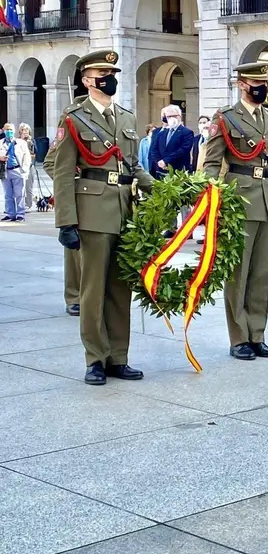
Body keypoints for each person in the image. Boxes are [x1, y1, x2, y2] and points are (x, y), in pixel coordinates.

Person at [52, 50, 154, 385]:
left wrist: (161, 190)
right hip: (92, 211)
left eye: (112, 74)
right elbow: (62, 172)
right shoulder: (73, 117)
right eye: (102, 74)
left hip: (124, 211)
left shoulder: (126, 117)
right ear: (87, 80)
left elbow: (134, 166)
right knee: (93, 291)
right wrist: (66, 221)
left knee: (120, 290)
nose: (109, 79)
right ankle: (95, 359)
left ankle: (118, 358)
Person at [203, 62, 268, 361]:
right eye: (255, 83)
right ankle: (239, 337)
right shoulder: (225, 118)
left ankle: (257, 335)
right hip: (239, 201)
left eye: (264, 83)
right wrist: (211, 201)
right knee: (238, 273)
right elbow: (212, 162)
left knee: (262, 273)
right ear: (241, 84)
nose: (261, 88)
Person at [44, 139, 81, 316]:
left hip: (106, 198)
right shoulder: (71, 128)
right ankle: (74, 297)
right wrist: (73, 180)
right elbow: (50, 163)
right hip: (75, 198)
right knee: (74, 251)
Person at [148, 104, 193, 178]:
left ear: (179, 116)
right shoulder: (161, 133)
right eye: (169, 116)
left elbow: (183, 150)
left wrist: (165, 161)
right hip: (161, 171)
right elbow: (154, 149)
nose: (171, 118)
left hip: (178, 172)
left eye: (174, 116)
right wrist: (159, 161)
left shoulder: (187, 132)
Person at [0, 123, 31, 222]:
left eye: (11, 130)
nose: (9, 132)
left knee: (19, 194)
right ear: (4, 131)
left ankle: (20, 214)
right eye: (7, 130)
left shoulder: (21, 143)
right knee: (8, 194)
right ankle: (10, 214)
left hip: (17, 170)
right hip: (5, 171)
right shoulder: (1, 142)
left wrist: (24, 169)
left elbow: (27, 157)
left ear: (14, 131)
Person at [18, 124, 36, 212]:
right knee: (19, 187)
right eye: (23, 130)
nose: (25, 132)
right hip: (19, 166)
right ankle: (19, 205)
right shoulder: (17, 141)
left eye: (27, 130)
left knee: (29, 187)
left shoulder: (32, 141)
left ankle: (28, 204)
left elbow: (36, 153)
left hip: (29, 166)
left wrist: (30, 142)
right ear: (20, 132)